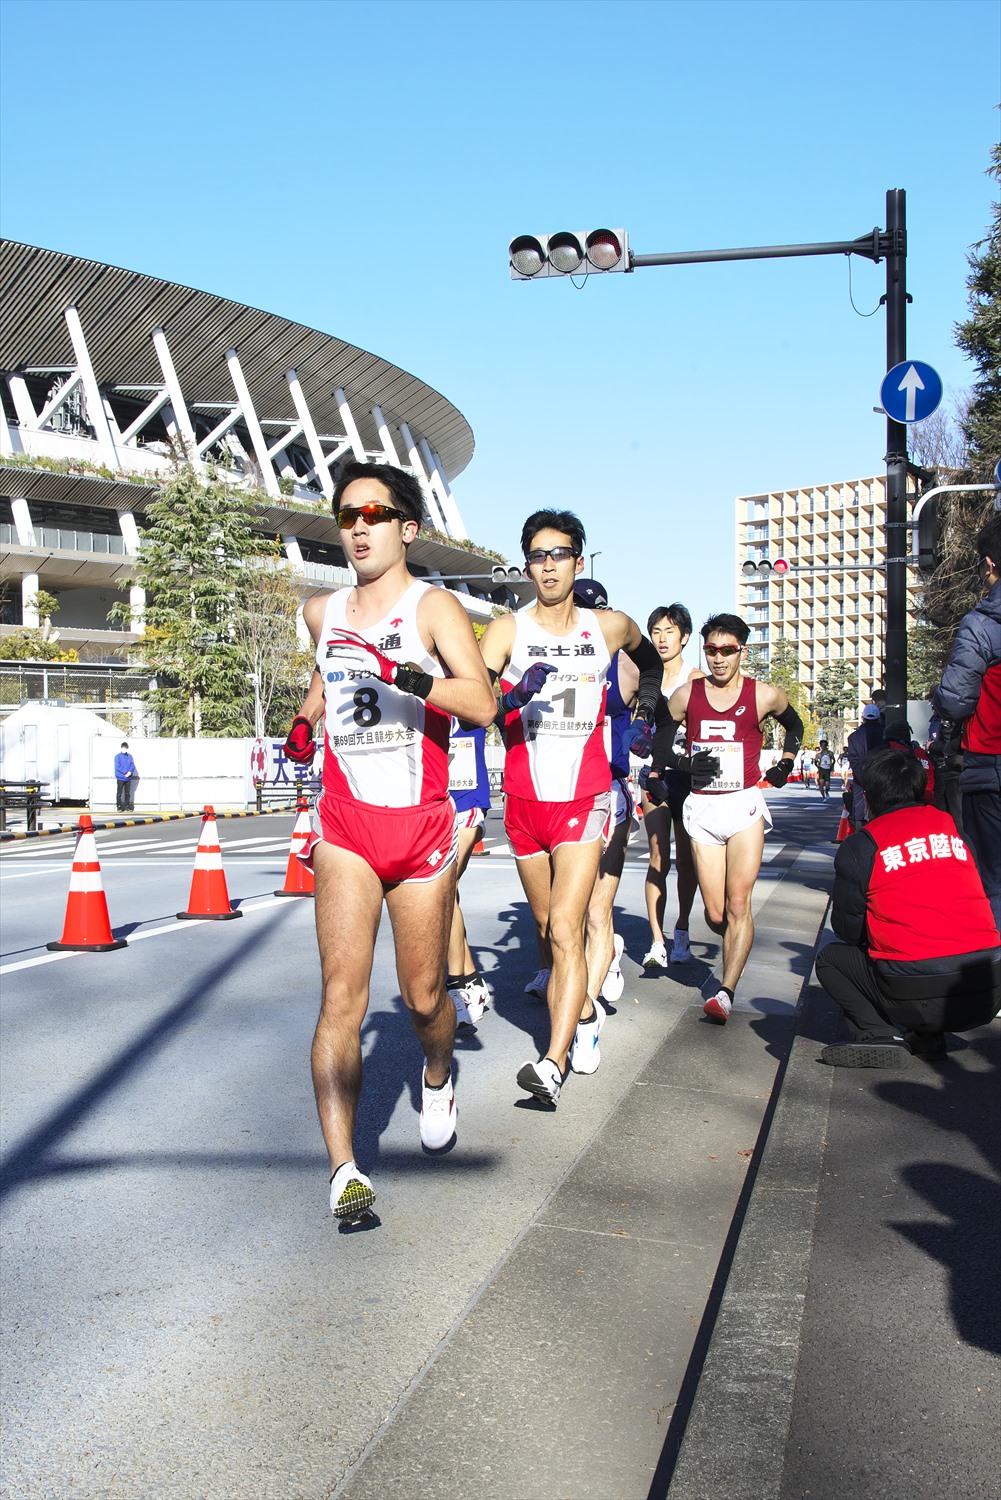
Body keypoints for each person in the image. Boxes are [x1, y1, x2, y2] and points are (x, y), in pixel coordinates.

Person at [283, 461, 495, 1221]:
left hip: (419, 827)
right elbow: (324, 678)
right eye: (346, 515)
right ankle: (343, 1169)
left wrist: (413, 675)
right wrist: (305, 722)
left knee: (423, 994)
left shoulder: (431, 606)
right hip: (344, 825)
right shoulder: (321, 611)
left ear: (407, 526)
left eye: (373, 512)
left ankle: (437, 1073)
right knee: (341, 995)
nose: (358, 526)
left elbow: (483, 702)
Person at [478, 511, 663, 1106]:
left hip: (584, 799)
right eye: (537, 555)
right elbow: (474, 706)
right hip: (525, 804)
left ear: (579, 561)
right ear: (527, 564)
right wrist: (512, 694)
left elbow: (650, 662)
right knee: (544, 929)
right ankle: (583, 1019)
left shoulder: (607, 627)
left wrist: (646, 716)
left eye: (560, 553)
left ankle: (550, 1064)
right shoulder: (505, 631)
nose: (549, 564)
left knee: (566, 925)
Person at [648, 612, 804, 1025]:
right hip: (701, 809)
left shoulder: (764, 695)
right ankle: (735, 939)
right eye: (712, 650)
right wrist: (664, 770)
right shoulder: (687, 694)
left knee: (739, 902)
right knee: (716, 914)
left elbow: (795, 725)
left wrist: (785, 765)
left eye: (727, 650)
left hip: (744, 806)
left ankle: (725, 991)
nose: (718, 658)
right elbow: (662, 733)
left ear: (742, 652)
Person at [815, 747, 1001, 1066]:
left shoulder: (864, 844)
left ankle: (879, 1034)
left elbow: (847, 930)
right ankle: (927, 1036)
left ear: (869, 797)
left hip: (917, 988)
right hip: (988, 986)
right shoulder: (953, 830)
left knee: (832, 959)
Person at [571, 577, 647, 1008]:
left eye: (600, 609)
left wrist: (642, 729)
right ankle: (582, 962)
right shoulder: (550, 652)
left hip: (610, 788)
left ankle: (586, 1011)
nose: (593, 616)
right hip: (563, 791)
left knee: (597, 908)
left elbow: (651, 705)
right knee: (567, 910)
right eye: (584, 607)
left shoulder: (628, 667)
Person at [933, 514, 1001, 936]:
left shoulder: (984, 623)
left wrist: (939, 702)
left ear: (990, 564)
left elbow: (957, 698)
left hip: (990, 763)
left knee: (993, 876)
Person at [638, 603, 702, 970]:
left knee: (688, 862)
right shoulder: (644, 676)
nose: (662, 639)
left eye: (669, 632)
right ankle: (657, 940)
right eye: (656, 632)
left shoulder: (697, 680)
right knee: (658, 856)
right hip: (652, 775)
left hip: (687, 776)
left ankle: (681, 928)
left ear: (684, 637)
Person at [446, 717, 492, 1026]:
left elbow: (494, 705)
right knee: (448, 896)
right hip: (430, 798)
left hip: (466, 800)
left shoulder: (471, 672)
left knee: (442, 890)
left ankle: (455, 987)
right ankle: (473, 983)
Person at [845, 703, 884, 827]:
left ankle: (860, 835)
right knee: (881, 810)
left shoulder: (854, 737)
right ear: (878, 718)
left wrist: (862, 778)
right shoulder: (884, 734)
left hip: (860, 780)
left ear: (863, 718)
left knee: (860, 811)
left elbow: (853, 760)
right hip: (881, 778)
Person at [114, 742, 137, 812]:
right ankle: (119, 806)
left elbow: (132, 765)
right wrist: (125, 772)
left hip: (128, 778)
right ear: (121, 748)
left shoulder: (130, 756)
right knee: (119, 793)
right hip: (120, 777)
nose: (125, 749)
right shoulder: (117, 756)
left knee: (127, 793)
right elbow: (117, 767)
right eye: (124, 748)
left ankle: (127, 806)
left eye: (126, 748)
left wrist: (130, 772)